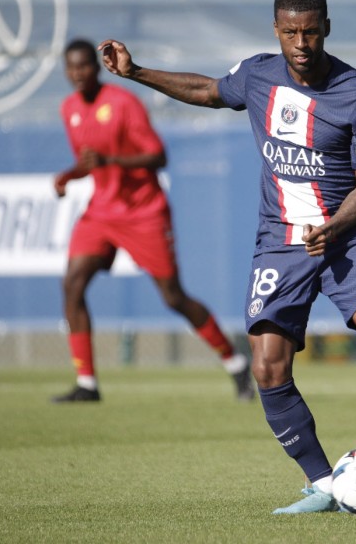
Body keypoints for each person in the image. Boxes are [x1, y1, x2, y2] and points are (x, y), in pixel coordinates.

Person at [99, 0, 356, 514]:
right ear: (276, 31)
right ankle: (324, 485)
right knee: (266, 367)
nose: (301, 43)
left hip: (344, 235)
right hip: (280, 243)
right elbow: (208, 90)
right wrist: (136, 71)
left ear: (327, 27)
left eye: (310, 31)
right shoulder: (259, 75)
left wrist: (332, 227)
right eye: (290, 33)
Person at [52, 38, 255, 404]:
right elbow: (91, 161)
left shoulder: (123, 103)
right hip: (102, 211)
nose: (78, 73)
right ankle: (87, 383)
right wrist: (69, 175)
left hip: (143, 212)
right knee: (73, 284)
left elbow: (157, 156)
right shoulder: (69, 109)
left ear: (96, 67)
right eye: (71, 67)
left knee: (173, 297)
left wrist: (111, 161)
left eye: (84, 65)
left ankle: (236, 362)